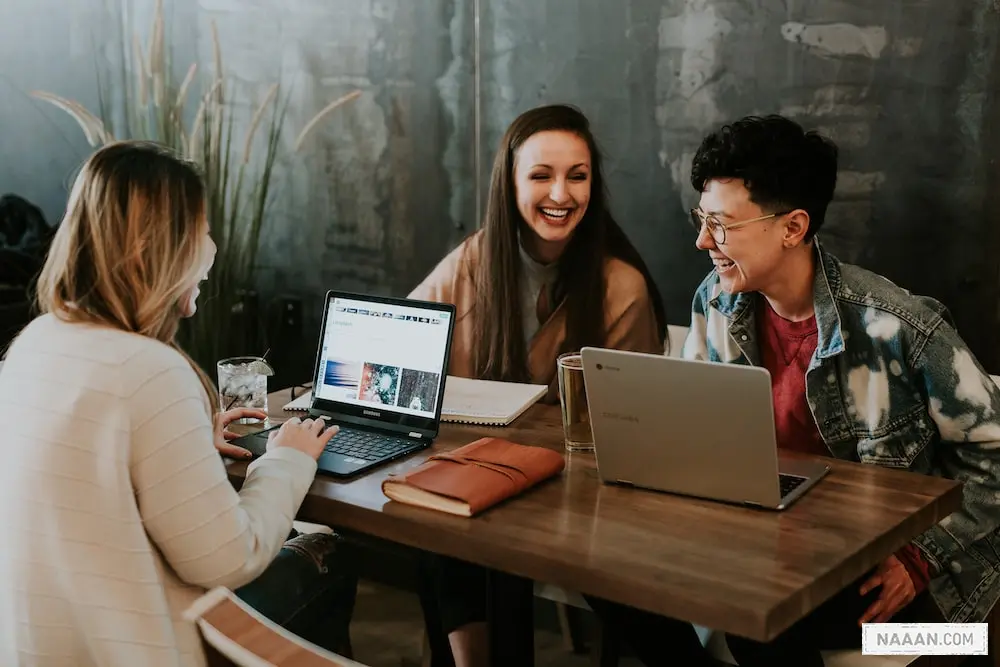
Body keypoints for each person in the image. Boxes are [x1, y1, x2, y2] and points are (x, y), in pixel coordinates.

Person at [586, 114, 1000, 666]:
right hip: (772, 545)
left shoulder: (898, 326)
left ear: (793, 227)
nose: (703, 240)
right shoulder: (717, 300)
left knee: (762, 616)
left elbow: (993, 457)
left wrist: (920, 558)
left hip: (906, 582)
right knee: (604, 568)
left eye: (722, 224)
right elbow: (694, 438)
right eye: (701, 219)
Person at [0, 141, 357, 667]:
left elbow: (82, 480)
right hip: (131, 650)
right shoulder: (151, 370)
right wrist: (288, 458)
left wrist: (186, 439)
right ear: (162, 246)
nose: (212, 247)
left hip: (42, 647)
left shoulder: (34, 342)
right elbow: (228, 559)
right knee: (329, 554)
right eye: (203, 230)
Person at [408, 104, 667, 666]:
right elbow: (408, 336)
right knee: (438, 519)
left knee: (462, 529)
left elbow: (629, 428)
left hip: (577, 496)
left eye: (578, 176)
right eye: (541, 175)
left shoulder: (620, 287)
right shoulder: (478, 257)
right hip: (480, 476)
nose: (561, 194)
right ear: (511, 183)